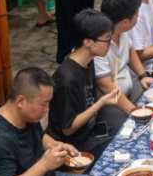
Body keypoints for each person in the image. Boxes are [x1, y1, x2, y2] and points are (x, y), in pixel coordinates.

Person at [49, 9, 124, 156]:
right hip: (74, 146)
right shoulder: (66, 79)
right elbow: (68, 129)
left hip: (92, 130)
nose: (110, 43)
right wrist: (100, 103)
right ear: (88, 42)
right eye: (107, 39)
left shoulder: (88, 61)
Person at [95, 0, 151, 115]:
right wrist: (134, 112)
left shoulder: (121, 30)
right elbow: (107, 87)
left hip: (131, 88)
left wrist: (142, 75)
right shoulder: (99, 44)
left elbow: (130, 51)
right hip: (112, 104)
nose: (138, 16)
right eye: (137, 14)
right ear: (126, 21)